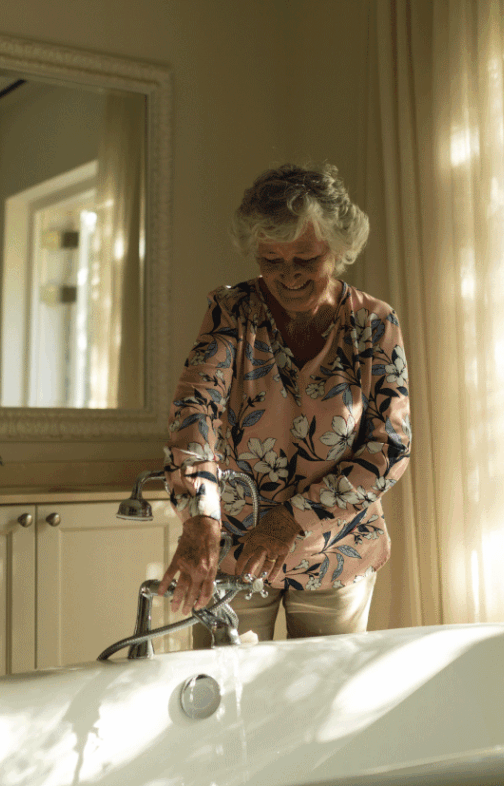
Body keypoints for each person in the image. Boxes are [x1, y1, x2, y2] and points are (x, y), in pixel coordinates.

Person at [160, 162, 411, 646]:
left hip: (335, 548)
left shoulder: (374, 323)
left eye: (306, 260)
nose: (288, 276)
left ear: (338, 250)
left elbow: (390, 448)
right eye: (271, 261)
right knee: (222, 696)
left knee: (319, 703)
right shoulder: (231, 310)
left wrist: (291, 520)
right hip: (232, 544)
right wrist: (200, 519)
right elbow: (196, 413)